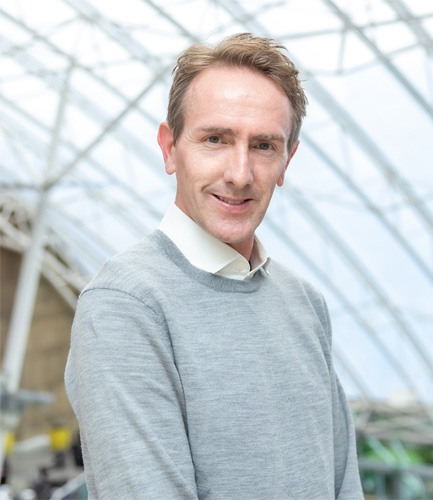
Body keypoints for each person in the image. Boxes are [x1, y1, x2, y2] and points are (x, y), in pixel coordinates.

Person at [65, 33, 363, 499]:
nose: (239, 173)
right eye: (215, 139)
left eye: (264, 145)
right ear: (169, 148)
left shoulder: (304, 302)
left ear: (287, 160)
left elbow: (344, 483)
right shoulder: (125, 306)